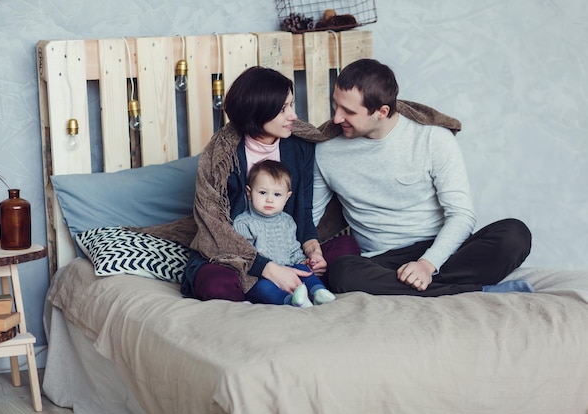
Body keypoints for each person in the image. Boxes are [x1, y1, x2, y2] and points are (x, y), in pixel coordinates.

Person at [312, 58, 533, 296]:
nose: (336, 118)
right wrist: (307, 253)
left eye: (349, 112)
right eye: (336, 106)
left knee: (515, 234)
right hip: (384, 260)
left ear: (382, 112)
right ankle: (476, 290)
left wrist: (427, 265)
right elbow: (310, 218)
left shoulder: (432, 138)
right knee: (342, 272)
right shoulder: (327, 151)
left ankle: (431, 286)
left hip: (442, 251)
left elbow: (461, 215)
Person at [181, 66, 359, 302]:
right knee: (214, 282)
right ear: (258, 113)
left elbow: (302, 211)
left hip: (286, 247)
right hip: (235, 253)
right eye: (283, 109)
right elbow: (215, 228)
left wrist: (313, 251)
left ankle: (299, 284)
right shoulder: (221, 156)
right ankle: (280, 289)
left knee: (347, 247)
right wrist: (269, 269)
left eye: (291, 105)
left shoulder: (300, 146)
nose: (293, 116)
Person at [233, 159, 336, 307]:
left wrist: (304, 262)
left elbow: (294, 250)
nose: (269, 199)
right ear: (249, 193)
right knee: (261, 288)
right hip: (262, 276)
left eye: (277, 195)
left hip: (290, 268)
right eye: (262, 192)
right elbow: (245, 257)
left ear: (287, 197)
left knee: (304, 271)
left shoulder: (287, 221)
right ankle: (292, 301)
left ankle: (318, 292)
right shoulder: (243, 223)